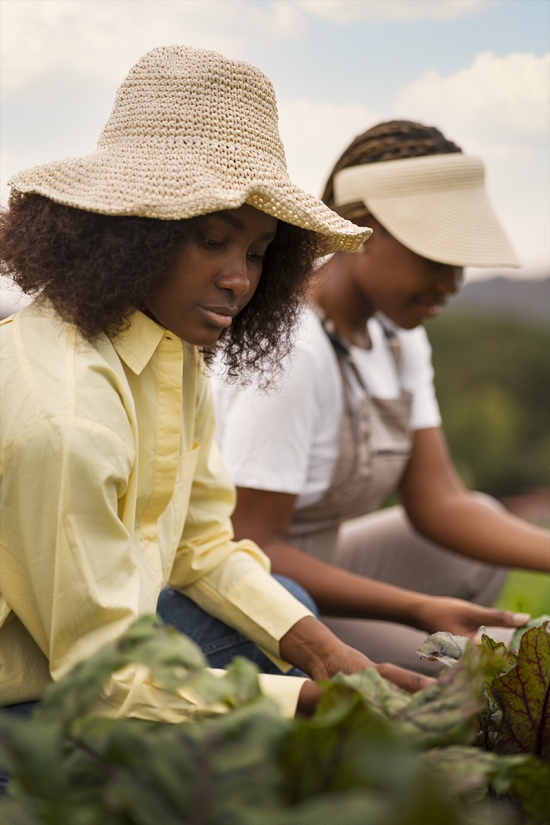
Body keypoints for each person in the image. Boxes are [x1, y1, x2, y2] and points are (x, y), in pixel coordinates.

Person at [0, 49, 435, 728]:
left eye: (258, 252)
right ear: (131, 231)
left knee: (289, 611)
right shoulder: (68, 418)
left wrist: (328, 656)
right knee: (231, 733)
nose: (240, 278)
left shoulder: (170, 350)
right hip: (35, 697)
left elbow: (199, 546)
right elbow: (101, 680)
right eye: (211, 240)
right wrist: (312, 702)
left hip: (95, 648)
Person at [213, 121, 550, 674]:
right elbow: (251, 542)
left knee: (479, 532)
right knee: (488, 671)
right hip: (252, 593)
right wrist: (415, 609)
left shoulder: (397, 337)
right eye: (436, 258)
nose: (452, 283)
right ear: (361, 231)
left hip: (316, 567)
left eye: (460, 263)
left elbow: (440, 502)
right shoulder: (294, 349)